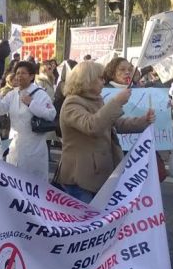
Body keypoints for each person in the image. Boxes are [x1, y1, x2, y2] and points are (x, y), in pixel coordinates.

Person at [54, 61, 154, 202]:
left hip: (98, 174)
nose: (103, 81)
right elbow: (92, 126)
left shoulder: (96, 100)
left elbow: (116, 123)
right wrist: (116, 102)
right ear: (87, 79)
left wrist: (144, 121)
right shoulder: (72, 103)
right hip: (81, 178)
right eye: (100, 78)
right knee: (85, 221)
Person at [0, 60, 56, 180]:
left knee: (32, 186)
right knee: (14, 185)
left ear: (32, 76)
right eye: (17, 73)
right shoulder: (12, 94)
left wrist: (32, 104)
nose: (19, 76)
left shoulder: (40, 94)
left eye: (23, 73)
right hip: (15, 147)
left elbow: (51, 114)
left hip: (34, 149)